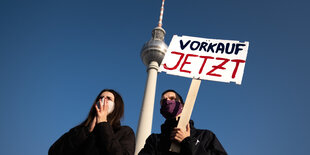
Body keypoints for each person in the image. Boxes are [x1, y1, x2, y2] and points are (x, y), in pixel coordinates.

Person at [139, 89, 227, 155]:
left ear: (182, 106)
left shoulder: (205, 136)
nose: (167, 102)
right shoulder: (154, 140)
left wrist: (189, 142)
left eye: (172, 98)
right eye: (163, 101)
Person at [49, 89, 135, 155]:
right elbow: (54, 151)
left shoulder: (124, 132)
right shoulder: (79, 130)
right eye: (101, 98)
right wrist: (87, 131)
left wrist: (103, 125)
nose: (103, 100)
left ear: (117, 106)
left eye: (108, 98)